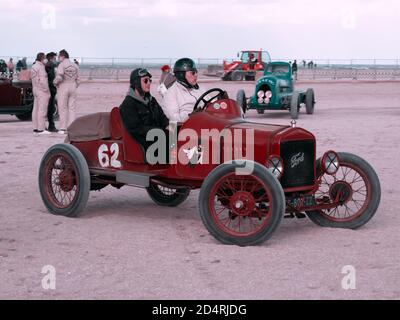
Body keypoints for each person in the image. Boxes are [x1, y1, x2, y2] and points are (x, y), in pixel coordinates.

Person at [119, 68, 169, 156]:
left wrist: (174, 128)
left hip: (160, 138)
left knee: (182, 134)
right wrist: (161, 131)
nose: (149, 83)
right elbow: (136, 129)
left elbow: (163, 119)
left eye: (150, 80)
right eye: (145, 81)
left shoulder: (152, 101)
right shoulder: (128, 104)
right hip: (145, 145)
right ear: (136, 83)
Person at [162, 58, 204, 123]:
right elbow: (173, 119)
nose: (196, 75)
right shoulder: (171, 93)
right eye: (192, 73)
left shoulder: (199, 89)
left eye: (196, 72)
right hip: (184, 128)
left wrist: (220, 101)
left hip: (203, 121)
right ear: (181, 75)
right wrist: (190, 116)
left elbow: (210, 102)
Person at [54, 49, 80, 134]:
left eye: (59, 56)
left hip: (63, 86)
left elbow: (60, 76)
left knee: (63, 108)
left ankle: (63, 128)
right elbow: (78, 79)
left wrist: (55, 82)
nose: (58, 58)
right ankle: (72, 128)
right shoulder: (75, 66)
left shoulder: (62, 65)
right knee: (72, 108)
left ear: (62, 56)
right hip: (73, 86)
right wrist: (75, 86)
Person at [31, 52, 51, 135]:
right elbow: (43, 81)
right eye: (45, 58)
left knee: (35, 109)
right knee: (42, 110)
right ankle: (41, 129)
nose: (46, 59)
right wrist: (46, 90)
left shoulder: (33, 66)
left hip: (35, 88)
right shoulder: (41, 67)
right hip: (41, 90)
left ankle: (35, 128)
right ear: (42, 58)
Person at [45, 52, 58, 132]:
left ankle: (50, 126)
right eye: (55, 58)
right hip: (51, 89)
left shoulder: (47, 65)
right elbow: (52, 77)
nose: (56, 59)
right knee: (50, 108)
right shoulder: (51, 65)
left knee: (49, 108)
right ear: (51, 58)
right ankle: (51, 126)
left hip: (49, 88)